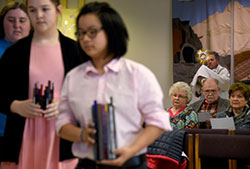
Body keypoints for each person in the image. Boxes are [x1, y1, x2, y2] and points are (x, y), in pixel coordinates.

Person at [56, 2, 172, 169]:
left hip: (131, 163)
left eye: (92, 32)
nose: (85, 39)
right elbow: (62, 123)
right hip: (87, 164)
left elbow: (158, 122)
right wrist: (81, 134)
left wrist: (131, 150)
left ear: (111, 31)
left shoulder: (137, 74)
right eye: (80, 33)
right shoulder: (73, 77)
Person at [0, 0, 81, 168]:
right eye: (33, 10)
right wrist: (16, 106)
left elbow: (89, 95)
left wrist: (65, 106)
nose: (39, 15)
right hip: (21, 138)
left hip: (63, 138)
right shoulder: (14, 52)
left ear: (58, 10)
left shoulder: (75, 51)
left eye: (45, 9)